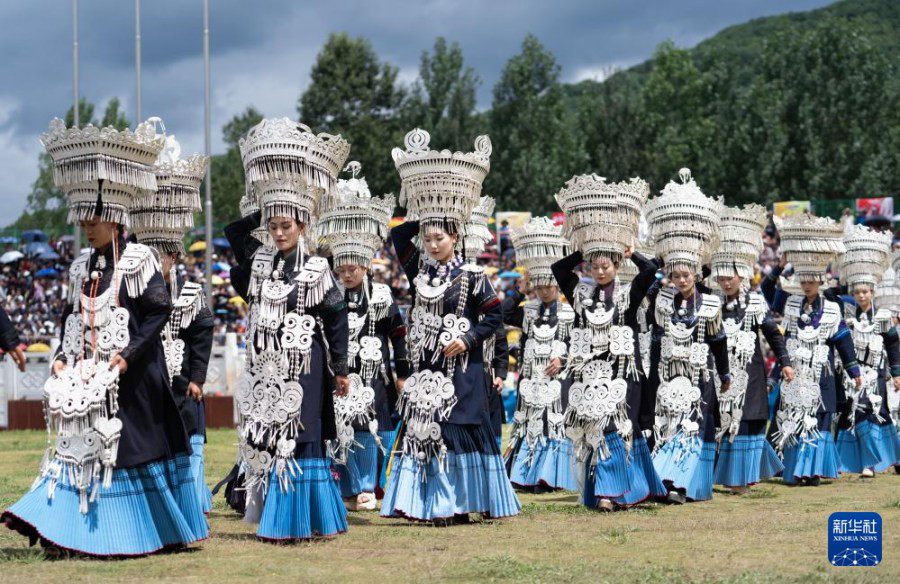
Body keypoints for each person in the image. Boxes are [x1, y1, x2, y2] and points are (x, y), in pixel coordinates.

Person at [2, 116, 207, 556]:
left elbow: (158, 313)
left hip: (132, 385)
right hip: (89, 380)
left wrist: (128, 356)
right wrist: (60, 354)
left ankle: (126, 533)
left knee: (126, 456)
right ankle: (65, 531)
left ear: (115, 217)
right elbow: (69, 321)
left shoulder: (139, 260)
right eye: (82, 220)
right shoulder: (80, 266)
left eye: (94, 219)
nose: (87, 227)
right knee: (75, 451)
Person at [380, 129, 520, 524]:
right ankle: (431, 504)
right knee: (428, 431)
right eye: (428, 238)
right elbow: (397, 233)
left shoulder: (475, 275)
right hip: (428, 370)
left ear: (455, 237)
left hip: (464, 368)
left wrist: (468, 338)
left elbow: (495, 317)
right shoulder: (417, 269)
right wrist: (429, 206)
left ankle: (461, 503)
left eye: (439, 237)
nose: (431, 244)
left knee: (459, 431)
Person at [224, 117, 351, 541]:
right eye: (273, 227)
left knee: (302, 433)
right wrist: (272, 199)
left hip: (307, 365)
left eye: (286, 226)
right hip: (267, 366)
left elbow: (336, 319)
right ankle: (268, 511)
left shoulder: (318, 269)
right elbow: (232, 232)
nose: (278, 233)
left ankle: (301, 516)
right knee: (267, 432)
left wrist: (342, 368)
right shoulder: (260, 264)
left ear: (303, 226)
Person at [554, 176, 666, 510]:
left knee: (617, 427)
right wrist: (584, 244)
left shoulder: (628, 293)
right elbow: (560, 269)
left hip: (622, 374)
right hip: (588, 374)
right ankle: (607, 491)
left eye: (606, 265)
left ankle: (609, 492)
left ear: (616, 265)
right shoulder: (580, 293)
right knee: (594, 426)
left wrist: (631, 252)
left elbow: (650, 272)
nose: (600, 270)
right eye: (594, 265)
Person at [317, 165, 407, 512]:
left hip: (374, 377)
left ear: (366, 265)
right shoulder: (328, 294)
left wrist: (402, 374)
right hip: (339, 373)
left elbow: (399, 337)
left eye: (353, 267)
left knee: (371, 429)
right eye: (341, 268)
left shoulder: (383, 295)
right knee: (340, 428)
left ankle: (369, 485)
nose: (347, 273)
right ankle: (347, 487)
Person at [130, 139, 214, 513]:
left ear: (175, 256)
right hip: (147, 383)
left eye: (159, 255)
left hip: (182, 386)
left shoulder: (191, 293)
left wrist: (197, 377)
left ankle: (189, 505)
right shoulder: (131, 289)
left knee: (188, 440)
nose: (152, 262)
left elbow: (202, 335)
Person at [645, 169, 730, 504]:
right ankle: (666, 480)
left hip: (698, 374)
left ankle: (683, 483)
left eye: (686, 274)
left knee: (692, 424)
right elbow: (647, 303)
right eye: (675, 274)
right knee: (668, 423)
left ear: (697, 273)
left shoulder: (709, 302)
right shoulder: (663, 298)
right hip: (668, 373)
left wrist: (723, 374)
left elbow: (718, 340)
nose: (680, 279)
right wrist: (657, 272)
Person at [762, 215, 860, 487]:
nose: (806, 285)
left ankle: (814, 470)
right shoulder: (790, 303)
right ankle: (794, 469)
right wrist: (779, 268)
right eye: (803, 280)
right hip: (795, 371)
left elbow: (842, 339)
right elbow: (766, 289)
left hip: (822, 373)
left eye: (811, 281)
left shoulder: (831, 308)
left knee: (819, 418)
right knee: (792, 414)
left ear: (820, 282)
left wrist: (854, 370)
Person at [711, 205, 792, 493]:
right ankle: (725, 475)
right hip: (721, 375)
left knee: (746, 422)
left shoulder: (756, 303)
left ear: (741, 275)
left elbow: (773, 334)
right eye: (721, 277)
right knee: (723, 423)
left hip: (751, 374)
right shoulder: (712, 305)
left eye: (730, 275)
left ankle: (742, 478)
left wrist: (784, 361)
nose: (726, 281)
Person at [503, 217, 577, 493]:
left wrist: (565, 359)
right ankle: (525, 474)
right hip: (530, 378)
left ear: (557, 286)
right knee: (528, 420)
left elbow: (581, 343)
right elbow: (504, 314)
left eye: (549, 285)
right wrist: (520, 290)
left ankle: (551, 476)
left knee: (553, 422)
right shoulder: (529, 309)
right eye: (540, 285)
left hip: (558, 380)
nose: (545, 290)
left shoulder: (571, 313)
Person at [832, 225, 900, 477]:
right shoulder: (847, 314)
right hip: (852, 373)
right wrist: (845, 283)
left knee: (873, 413)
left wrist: (896, 373)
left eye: (865, 291)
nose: (861, 295)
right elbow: (830, 293)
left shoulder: (883, 317)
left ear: (873, 292)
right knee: (854, 415)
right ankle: (860, 462)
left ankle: (871, 463)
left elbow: (893, 344)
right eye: (857, 291)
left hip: (875, 374)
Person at [0, 304, 26, 372]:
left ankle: (23, 364)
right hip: (6, 329)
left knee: (15, 348)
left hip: (6, 330)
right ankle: (19, 363)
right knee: (9, 349)